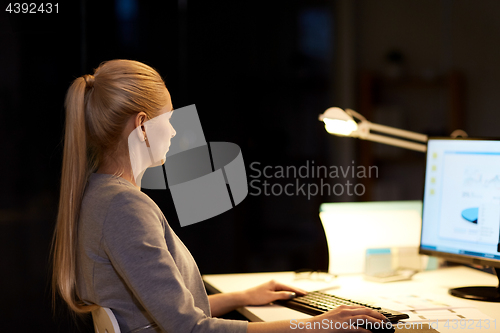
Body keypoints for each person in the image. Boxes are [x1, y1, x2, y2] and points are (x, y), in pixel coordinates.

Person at [52, 59, 387, 333]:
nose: (173, 131)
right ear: (142, 127)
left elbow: (160, 311)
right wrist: (315, 326)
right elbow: (190, 329)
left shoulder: (97, 194)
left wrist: (241, 297)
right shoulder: (125, 208)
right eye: (167, 120)